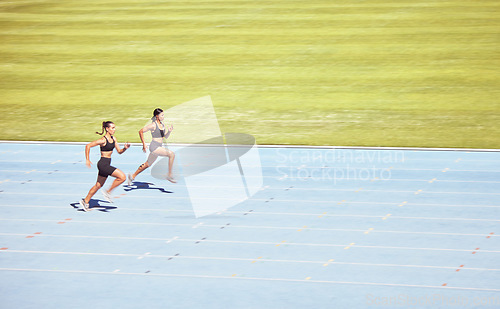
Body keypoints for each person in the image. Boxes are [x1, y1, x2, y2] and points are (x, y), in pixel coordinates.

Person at [79, 121, 130, 211]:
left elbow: (119, 151)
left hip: (106, 164)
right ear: (107, 129)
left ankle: (85, 201)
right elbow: (88, 146)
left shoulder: (114, 139)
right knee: (122, 177)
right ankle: (108, 192)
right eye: (112, 128)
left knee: (98, 185)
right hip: (103, 164)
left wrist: (125, 148)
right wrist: (87, 159)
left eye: (114, 127)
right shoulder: (103, 140)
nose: (114, 129)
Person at [128, 108, 176, 185]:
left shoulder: (162, 125)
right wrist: (144, 144)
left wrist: (169, 131)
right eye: (162, 115)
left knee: (147, 164)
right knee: (171, 154)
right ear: (157, 116)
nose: (163, 117)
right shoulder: (153, 125)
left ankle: (132, 176)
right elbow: (141, 131)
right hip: (155, 147)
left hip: (158, 146)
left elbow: (164, 137)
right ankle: (169, 175)